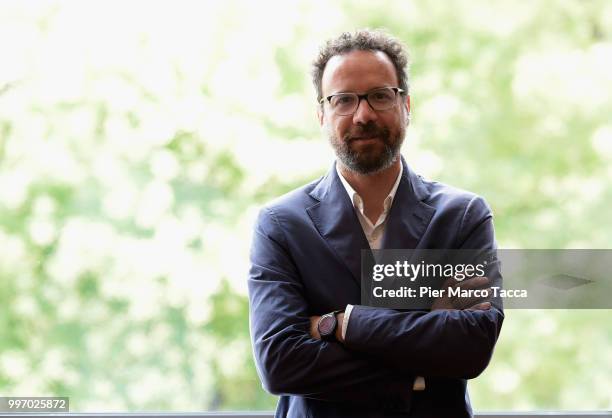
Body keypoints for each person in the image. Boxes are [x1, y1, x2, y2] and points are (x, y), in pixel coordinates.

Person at [248, 29, 504, 418]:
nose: (363, 115)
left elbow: (470, 348)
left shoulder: (463, 216)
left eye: (380, 96)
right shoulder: (281, 224)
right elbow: (280, 362)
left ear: (406, 105)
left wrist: (340, 324)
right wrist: (418, 365)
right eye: (344, 100)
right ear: (321, 114)